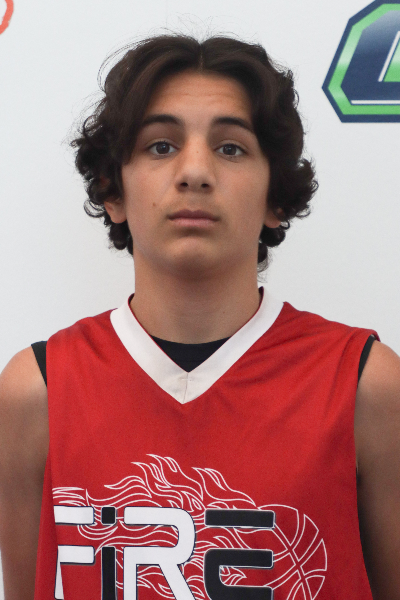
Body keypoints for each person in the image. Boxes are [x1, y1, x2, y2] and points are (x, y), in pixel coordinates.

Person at [0, 32, 399, 600]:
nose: (194, 171)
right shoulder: (37, 391)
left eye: (231, 148)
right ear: (113, 189)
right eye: (160, 146)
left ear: (276, 197)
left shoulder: (365, 384)